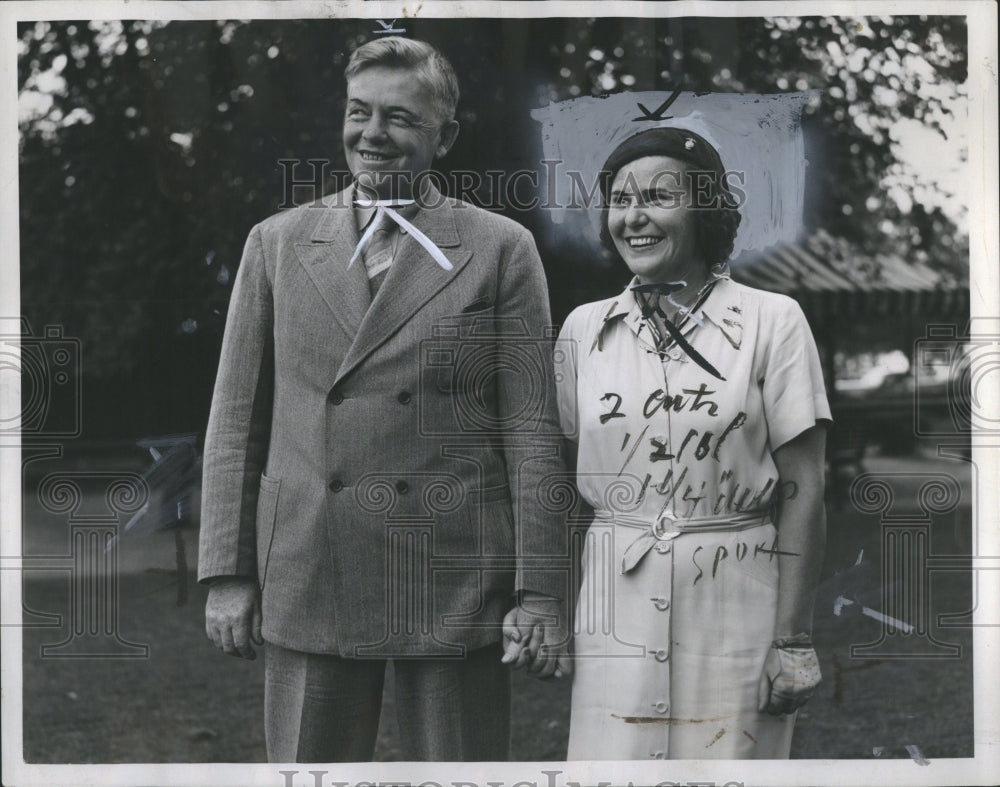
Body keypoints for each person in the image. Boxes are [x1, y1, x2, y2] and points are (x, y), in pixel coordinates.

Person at [198, 36, 570, 763]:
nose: (372, 134)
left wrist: (543, 592)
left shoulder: (499, 247)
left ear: (445, 136)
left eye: (400, 118)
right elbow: (235, 420)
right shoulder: (276, 243)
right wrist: (227, 571)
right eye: (358, 112)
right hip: (310, 567)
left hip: (453, 569)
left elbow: (530, 429)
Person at [552, 127, 831, 759]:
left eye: (658, 196)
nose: (634, 217)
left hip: (737, 601)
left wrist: (793, 641)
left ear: (704, 209)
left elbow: (806, 486)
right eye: (620, 199)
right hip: (614, 609)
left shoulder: (772, 320)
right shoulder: (583, 329)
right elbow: (563, 484)